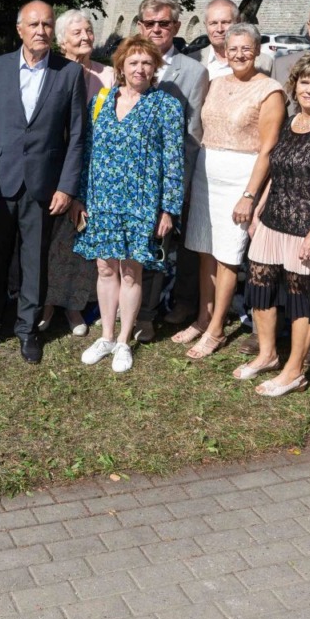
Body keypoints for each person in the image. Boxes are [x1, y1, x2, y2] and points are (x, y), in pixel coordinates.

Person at [0, 0, 92, 365]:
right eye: (34, 24)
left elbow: (77, 137)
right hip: (2, 183)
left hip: (45, 187)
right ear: (20, 29)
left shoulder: (69, 73)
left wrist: (67, 187)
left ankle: (27, 329)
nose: (41, 30)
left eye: (47, 25)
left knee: (34, 261)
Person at [234, 53, 310, 395]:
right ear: (295, 85)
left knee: (303, 300)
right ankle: (268, 354)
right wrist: (259, 210)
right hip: (274, 222)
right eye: (305, 82)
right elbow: (278, 169)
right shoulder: (292, 121)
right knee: (260, 286)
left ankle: (294, 369)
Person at [74, 37, 186, 373]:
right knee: (105, 268)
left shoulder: (166, 106)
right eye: (133, 62)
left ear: (155, 68)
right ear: (121, 67)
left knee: (131, 271)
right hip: (102, 198)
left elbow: (174, 161)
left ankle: (124, 340)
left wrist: (168, 209)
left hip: (142, 203)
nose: (139, 68)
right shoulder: (102, 100)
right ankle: (106, 335)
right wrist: (80, 196)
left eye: (146, 63)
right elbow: (87, 152)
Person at [179, 24, 284, 361]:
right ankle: (202, 317)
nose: (239, 54)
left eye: (246, 48)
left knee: (226, 256)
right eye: (233, 48)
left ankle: (216, 329)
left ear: (257, 50)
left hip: (241, 177)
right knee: (204, 250)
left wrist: (250, 196)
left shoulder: (270, 91)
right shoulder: (216, 82)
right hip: (206, 172)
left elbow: (268, 149)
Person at [130, 0, 209, 338]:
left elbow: (191, 135)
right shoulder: (126, 62)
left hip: (165, 177)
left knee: (154, 246)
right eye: (150, 23)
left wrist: (181, 187)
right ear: (140, 26)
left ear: (176, 28)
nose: (157, 29)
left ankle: (145, 315)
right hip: (126, 174)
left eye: (164, 23)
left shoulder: (193, 72)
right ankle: (119, 307)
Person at [39, 9, 116, 338]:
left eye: (88, 31)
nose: (85, 37)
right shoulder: (50, 73)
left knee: (82, 237)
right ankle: (45, 302)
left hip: (98, 170)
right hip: (56, 169)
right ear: (61, 41)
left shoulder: (110, 75)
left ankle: (74, 304)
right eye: (77, 33)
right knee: (50, 239)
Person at [195, 0, 273, 76]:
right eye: (213, 23)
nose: (219, 29)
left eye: (225, 22)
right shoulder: (194, 60)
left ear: (238, 22)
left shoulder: (265, 63)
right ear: (205, 25)